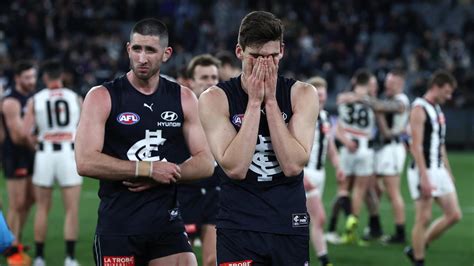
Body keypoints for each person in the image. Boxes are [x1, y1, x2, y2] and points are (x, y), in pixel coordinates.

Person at [74, 18, 214, 266]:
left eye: (150, 50)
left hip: (166, 224)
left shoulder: (183, 97)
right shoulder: (102, 96)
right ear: (128, 49)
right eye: (137, 49)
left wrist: (168, 172)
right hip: (119, 226)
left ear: (166, 53)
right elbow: (85, 161)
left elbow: (205, 162)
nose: (142, 57)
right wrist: (147, 169)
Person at [199, 11, 319, 265]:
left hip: (288, 223)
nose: (265, 64)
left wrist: (272, 101)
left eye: (272, 56)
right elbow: (235, 167)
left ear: (282, 51)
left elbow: (293, 165)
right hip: (238, 226)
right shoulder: (215, 98)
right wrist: (254, 103)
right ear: (240, 52)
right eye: (256, 57)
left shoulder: (303, 94)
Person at [23, 60, 82, 266]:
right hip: (68, 153)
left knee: (42, 208)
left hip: (45, 153)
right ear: (62, 77)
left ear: (45, 78)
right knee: (71, 209)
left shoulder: (35, 99)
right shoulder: (74, 97)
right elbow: (84, 128)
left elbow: (26, 132)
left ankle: (39, 258)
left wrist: (38, 145)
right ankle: (70, 258)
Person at [404, 70, 461, 266]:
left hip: (439, 169)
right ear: (436, 87)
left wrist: (448, 171)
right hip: (424, 170)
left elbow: (440, 143)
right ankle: (419, 260)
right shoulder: (419, 108)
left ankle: (416, 247)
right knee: (424, 218)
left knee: (454, 215)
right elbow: (416, 146)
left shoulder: (436, 108)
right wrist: (425, 177)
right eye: (447, 91)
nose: (449, 96)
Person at [177, 54, 220, 266]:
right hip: (187, 192)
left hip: (215, 191)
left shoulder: (226, 113)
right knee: (185, 258)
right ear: (191, 81)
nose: (210, 82)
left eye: (213, 77)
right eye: (203, 77)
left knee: (212, 260)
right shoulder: (178, 114)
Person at [358, 69, 410, 244]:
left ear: (400, 84)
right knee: (370, 187)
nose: (387, 86)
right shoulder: (387, 99)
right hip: (380, 150)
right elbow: (379, 108)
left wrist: (363, 97)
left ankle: (400, 233)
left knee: (393, 192)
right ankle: (375, 226)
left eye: (391, 83)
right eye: (387, 83)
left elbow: (382, 108)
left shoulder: (401, 100)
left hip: (392, 149)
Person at [304, 76, 344, 266]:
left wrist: (337, 165)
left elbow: (329, 146)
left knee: (306, 220)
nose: (320, 97)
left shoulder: (326, 117)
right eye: (317, 94)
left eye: (322, 94)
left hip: (320, 174)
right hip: (305, 174)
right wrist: (300, 174)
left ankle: (317, 258)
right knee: (317, 218)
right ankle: (323, 259)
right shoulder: (302, 115)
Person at [335, 69, 376, 244]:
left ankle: (339, 223)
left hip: (347, 147)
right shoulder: (371, 101)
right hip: (364, 147)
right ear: (367, 84)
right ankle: (352, 227)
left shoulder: (343, 98)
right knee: (360, 190)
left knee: (344, 188)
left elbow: (340, 101)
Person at [1, 60, 37, 250]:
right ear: (17, 78)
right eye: (27, 77)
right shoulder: (11, 101)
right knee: (16, 204)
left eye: (33, 76)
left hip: (29, 154)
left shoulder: (32, 97)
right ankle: (10, 248)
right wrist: (40, 145)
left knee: (30, 199)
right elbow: (17, 136)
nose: (31, 81)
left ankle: (14, 239)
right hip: (14, 155)